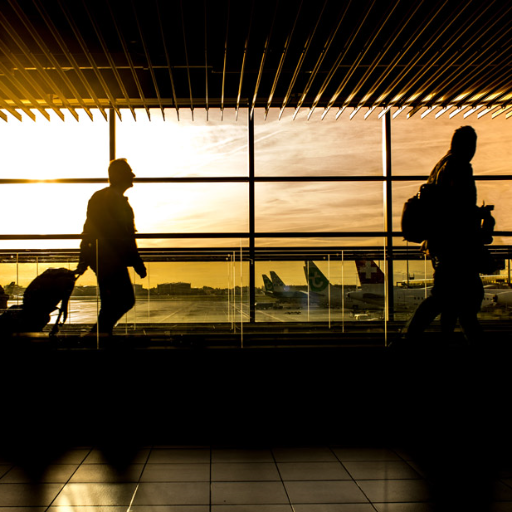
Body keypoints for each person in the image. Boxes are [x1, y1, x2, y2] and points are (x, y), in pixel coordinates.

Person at [403, 126, 489, 346]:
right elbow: (458, 209)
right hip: (456, 246)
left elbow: (446, 207)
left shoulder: (441, 166)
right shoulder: (459, 166)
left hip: (441, 244)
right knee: (458, 299)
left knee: (450, 299)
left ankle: (428, 340)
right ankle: (411, 339)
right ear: (468, 145)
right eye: (472, 144)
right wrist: (479, 215)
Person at [76, 158, 147, 336]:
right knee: (124, 300)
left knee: (113, 302)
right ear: (120, 175)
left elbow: (89, 230)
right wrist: (136, 261)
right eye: (129, 171)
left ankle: (99, 336)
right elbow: (125, 237)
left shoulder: (103, 198)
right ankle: (98, 336)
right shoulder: (113, 201)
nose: (133, 175)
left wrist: (84, 258)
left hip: (105, 258)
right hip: (109, 259)